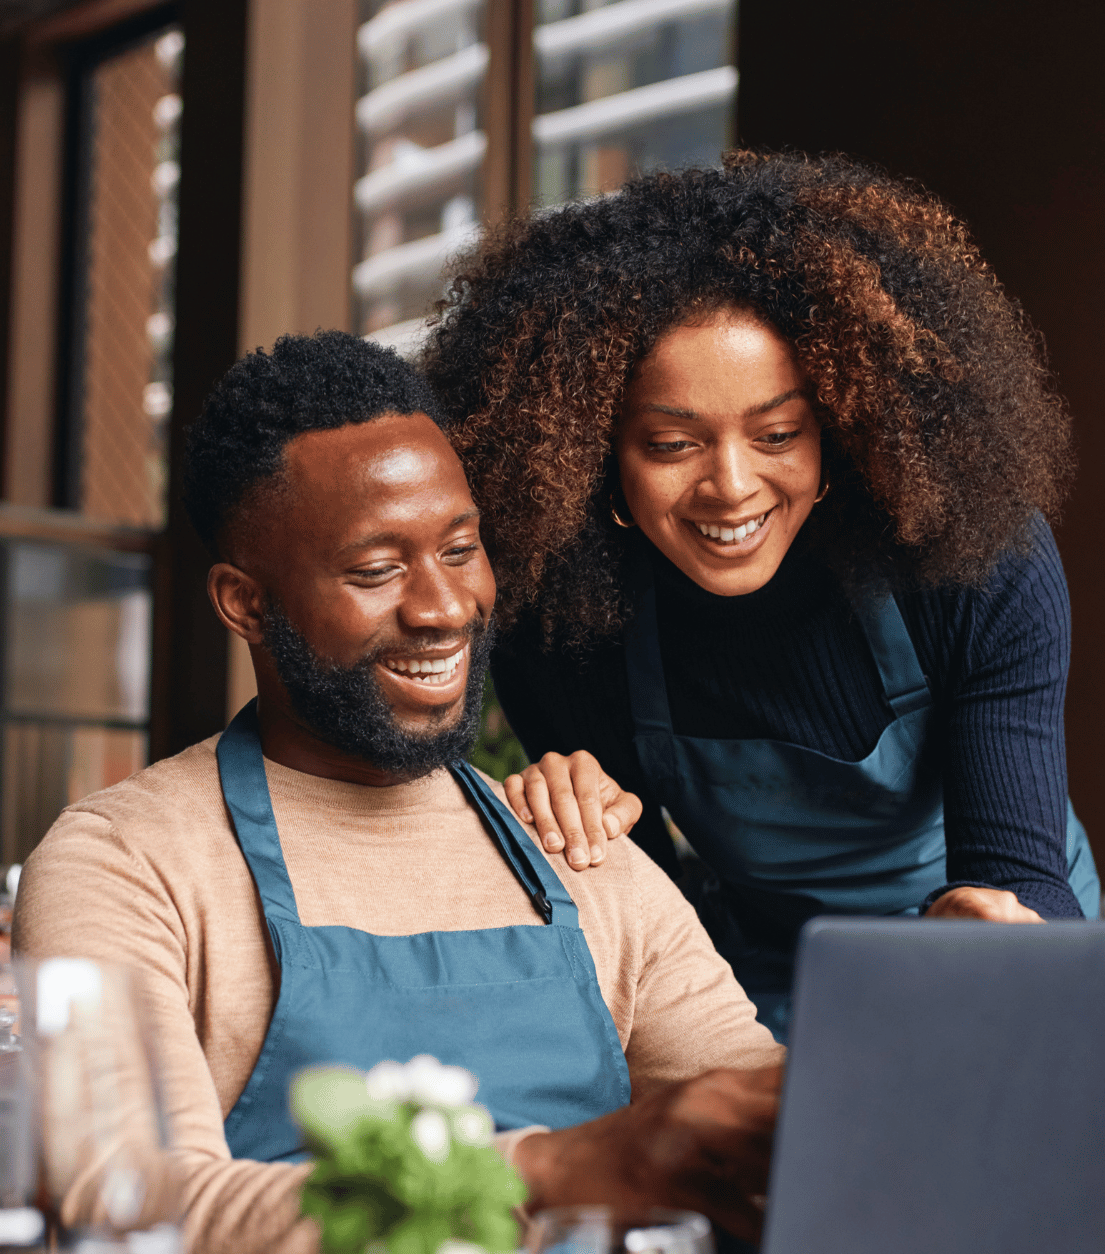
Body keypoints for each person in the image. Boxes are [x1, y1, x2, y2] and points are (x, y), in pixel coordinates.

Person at [14, 331, 780, 1254]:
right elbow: (133, 1220)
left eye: (460, 549)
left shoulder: (577, 843)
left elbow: (760, 1128)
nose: (443, 606)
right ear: (245, 603)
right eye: (377, 568)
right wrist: (549, 1169)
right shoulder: (125, 862)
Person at [421, 150, 1099, 1037]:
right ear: (594, 458)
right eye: (671, 445)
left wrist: (1002, 932)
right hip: (765, 984)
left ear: (839, 429)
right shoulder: (563, 619)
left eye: (778, 432)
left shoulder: (974, 562)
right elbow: (650, 924)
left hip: (994, 957)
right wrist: (572, 824)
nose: (732, 487)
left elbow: (1020, 869)